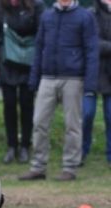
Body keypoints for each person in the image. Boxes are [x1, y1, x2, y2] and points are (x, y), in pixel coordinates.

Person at [19, 0, 98, 181]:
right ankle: (38, 167)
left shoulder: (85, 17)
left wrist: (90, 84)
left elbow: (91, 51)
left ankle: (70, 168)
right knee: (39, 122)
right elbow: (39, 48)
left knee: (73, 125)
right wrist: (34, 78)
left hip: (74, 79)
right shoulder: (47, 16)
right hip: (47, 77)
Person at [0, 0, 45, 164]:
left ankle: (26, 145)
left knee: (27, 104)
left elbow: (42, 34)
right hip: (6, 62)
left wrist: (40, 64)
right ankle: (12, 146)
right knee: (9, 105)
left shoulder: (36, 5)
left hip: (29, 62)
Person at [82, 0, 111, 167]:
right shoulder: (90, 14)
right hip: (91, 73)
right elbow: (93, 43)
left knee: (110, 116)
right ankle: (82, 152)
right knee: (87, 114)